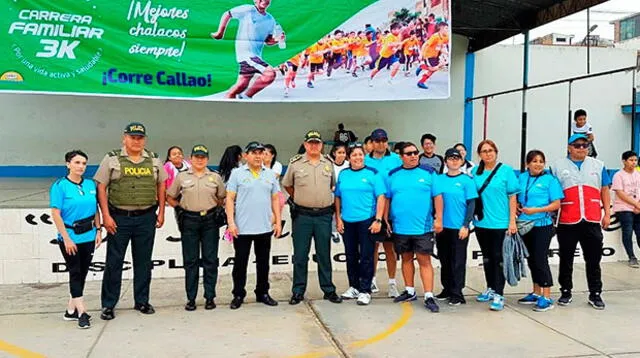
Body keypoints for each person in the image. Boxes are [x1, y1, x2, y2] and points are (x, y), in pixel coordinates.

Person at [94, 122, 167, 320]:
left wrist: (161, 213)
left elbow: (161, 185)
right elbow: (101, 187)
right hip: (119, 218)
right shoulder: (111, 158)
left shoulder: (153, 159)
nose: (136, 141)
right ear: (124, 138)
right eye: (132, 137)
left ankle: (142, 301)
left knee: (143, 262)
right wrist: (106, 216)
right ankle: (108, 305)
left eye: (140, 137)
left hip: (146, 218)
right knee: (114, 263)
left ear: (144, 140)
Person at [282, 130, 342, 305]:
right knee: (300, 255)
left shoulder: (328, 164)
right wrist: (302, 199)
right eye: (311, 143)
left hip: (324, 216)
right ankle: (298, 291)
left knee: (324, 254)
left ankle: (329, 290)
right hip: (303, 216)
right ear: (306, 145)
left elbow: (332, 185)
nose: (314, 146)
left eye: (317, 143)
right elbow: (288, 186)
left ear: (321, 145)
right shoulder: (296, 164)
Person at [551, 134, 611, 310]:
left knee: (593, 259)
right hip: (567, 219)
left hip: (591, 218)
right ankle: (566, 291)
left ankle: (595, 293)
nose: (582, 148)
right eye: (577, 145)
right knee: (566, 258)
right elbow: (551, 191)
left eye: (585, 145)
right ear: (569, 147)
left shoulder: (598, 165)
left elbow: (605, 190)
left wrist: (607, 213)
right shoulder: (557, 166)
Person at [167, 145, 226, 311]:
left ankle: (209, 297)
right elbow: (170, 196)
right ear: (191, 159)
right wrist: (180, 208)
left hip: (210, 221)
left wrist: (213, 210)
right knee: (190, 261)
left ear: (207, 159)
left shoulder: (215, 177)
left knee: (210, 260)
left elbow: (221, 197)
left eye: (203, 157)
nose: (200, 160)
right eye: (196, 157)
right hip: (189, 221)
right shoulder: (181, 177)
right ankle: (191, 298)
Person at [387, 142, 443, 313]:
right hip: (400, 227)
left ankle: (428, 295)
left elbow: (438, 197)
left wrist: (438, 219)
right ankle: (410, 291)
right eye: (409, 153)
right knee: (405, 258)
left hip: (423, 227)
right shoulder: (393, 175)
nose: (413, 156)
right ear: (401, 156)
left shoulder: (429, 173)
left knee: (424, 260)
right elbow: (387, 198)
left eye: (415, 153)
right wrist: (386, 220)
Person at [226, 142, 282, 309]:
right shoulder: (236, 174)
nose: (258, 156)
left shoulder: (270, 175)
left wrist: (278, 221)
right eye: (254, 153)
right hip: (242, 228)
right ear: (246, 155)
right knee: (240, 264)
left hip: (264, 227)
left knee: (263, 263)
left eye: (260, 153)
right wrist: (231, 222)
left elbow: (275, 199)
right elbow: (229, 198)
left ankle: (262, 292)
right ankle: (238, 294)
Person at [50, 150, 102, 329]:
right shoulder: (60, 186)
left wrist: (99, 230)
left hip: (89, 234)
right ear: (68, 164)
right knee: (75, 272)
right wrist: (66, 238)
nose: (81, 166)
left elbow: (96, 208)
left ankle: (70, 310)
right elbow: (56, 213)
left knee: (83, 272)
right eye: (77, 162)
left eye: (84, 163)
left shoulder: (89, 184)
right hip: (71, 237)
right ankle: (82, 312)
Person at [335, 144, 386, 305]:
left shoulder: (373, 174)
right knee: (350, 255)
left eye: (360, 154)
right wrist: (338, 218)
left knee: (366, 256)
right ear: (349, 158)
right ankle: (354, 286)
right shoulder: (343, 174)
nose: (358, 157)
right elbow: (338, 197)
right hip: (347, 221)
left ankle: (365, 290)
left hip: (366, 221)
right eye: (354, 155)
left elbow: (381, 197)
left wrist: (378, 219)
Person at [471, 139, 519, 311]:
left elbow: (512, 197)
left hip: (501, 224)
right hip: (482, 223)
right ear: (479, 155)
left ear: (496, 152)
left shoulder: (506, 171)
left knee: (499, 258)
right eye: (484, 151)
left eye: (491, 150)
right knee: (487, 257)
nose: (488, 154)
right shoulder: (474, 172)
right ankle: (491, 288)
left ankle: (499, 294)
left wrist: (512, 221)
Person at [516, 150, 564, 312]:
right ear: (527, 164)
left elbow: (556, 204)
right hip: (524, 224)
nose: (538, 164)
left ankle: (547, 295)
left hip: (542, 225)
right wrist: (517, 206)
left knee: (540, 258)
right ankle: (536, 292)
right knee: (531, 259)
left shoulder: (550, 180)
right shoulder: (521, 178)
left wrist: (536, 210)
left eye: (541, 161)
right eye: (534, 161)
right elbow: (515, 196)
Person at [210, 0, 286, 99]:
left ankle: (227, 106)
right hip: (247, 55)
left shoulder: (270, 19)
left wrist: (277, 40)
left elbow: (268, 41)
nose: (263, 0)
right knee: (270, 74)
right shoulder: (248, 10)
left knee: (240, 86)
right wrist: (220, 32)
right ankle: (246, 97)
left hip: (256, 56)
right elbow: (227, 14)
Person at [435, 148, 477, 306]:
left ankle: (457, 292)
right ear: (445, 161)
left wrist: (466, 225)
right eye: (450, 158)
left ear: (461, 161)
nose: (453, 161)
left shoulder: (467, 180)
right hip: (442, 227)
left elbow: (471, 203)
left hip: (459, 227)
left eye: (456, 158)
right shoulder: (439, 179)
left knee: (458, 260)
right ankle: (447, 288)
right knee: (444, 259)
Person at [364, 128, 401, 297]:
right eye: (377, 141)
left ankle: (392, 282)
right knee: (372, 248)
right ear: (371, 143)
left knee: (390, 248)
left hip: (392, 210)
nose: (381, 143)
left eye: (384, 140)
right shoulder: (364, 160)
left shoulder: (395, 159)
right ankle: (371, 279)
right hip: (372, 210)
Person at [612, 150, 640, 267]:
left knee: (639, 232)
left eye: (635, 160)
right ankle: (631, 257)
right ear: (624, 161)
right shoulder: (618, 175)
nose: (633, 163)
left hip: (637, 207)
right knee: (627, 232)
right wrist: (636, 204)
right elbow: (620, 193)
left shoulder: (638, 174)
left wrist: (638, 205)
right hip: (624, 208)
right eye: (631, 160)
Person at [416, 22, 449, 90]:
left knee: (435, 69)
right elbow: (425, 45)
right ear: (441, 29)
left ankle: (421, 82)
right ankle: (422, 66)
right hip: (428, 55)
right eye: (446, 28)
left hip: (435, 55)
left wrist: (447, 54)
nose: (447, 30)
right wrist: (421, 54)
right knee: (434, 68)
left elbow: (442, 47)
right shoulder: (435, 36)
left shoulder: (446, 37)